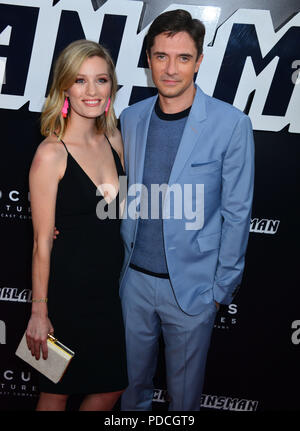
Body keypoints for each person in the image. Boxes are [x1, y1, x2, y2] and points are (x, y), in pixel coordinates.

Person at [119, 9, 254, 411]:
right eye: (161, 56)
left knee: (183, 401)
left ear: (198, 61)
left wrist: (218, 292)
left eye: (182, 58)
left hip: (194, 291)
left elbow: (238, 212)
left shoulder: (230, 124)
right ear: (148, 59)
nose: (171, 68)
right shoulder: (131, 118)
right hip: (134, 285)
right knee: (130, 393)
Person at [25, 39, 128, 411]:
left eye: (101, 80)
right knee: (55, 391)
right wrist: (39, 311)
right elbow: (41, 241)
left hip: (107, 294)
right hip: (64, 294)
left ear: (111, 87)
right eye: (80, 81)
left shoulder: (115, 139)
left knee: (111, 387)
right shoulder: (51, 153)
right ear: (65, 87)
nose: (91, 91)